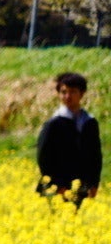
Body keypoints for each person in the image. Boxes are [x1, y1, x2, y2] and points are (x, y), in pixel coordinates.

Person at [36, 71, 100, 206]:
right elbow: (43, 157)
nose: (67, 96)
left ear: (81, 94)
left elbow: (95, 155)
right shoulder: (53, 123)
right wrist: (56, 186)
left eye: (72, 92)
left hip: (82, 187)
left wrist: (94, 184)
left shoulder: (90, 122)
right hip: (57, 189)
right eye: (63, 92)